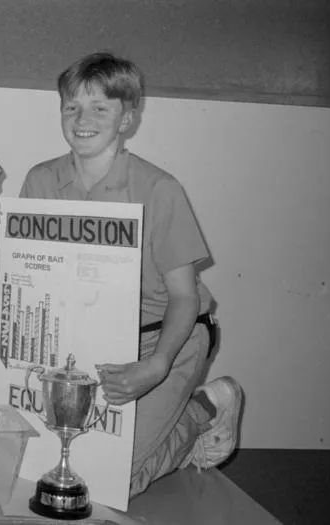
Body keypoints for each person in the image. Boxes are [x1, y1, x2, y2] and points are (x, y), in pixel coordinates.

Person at [19, 53, 243, 497]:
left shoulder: (159, 189)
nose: (82, 119)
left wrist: (157, 366)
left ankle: (205, 406)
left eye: (101, 107)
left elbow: (185, 299)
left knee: (109, 479)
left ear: (127, 119)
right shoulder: (39, 181)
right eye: (71, 107)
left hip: (164, 338)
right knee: (47, 464)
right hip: (86, 340)